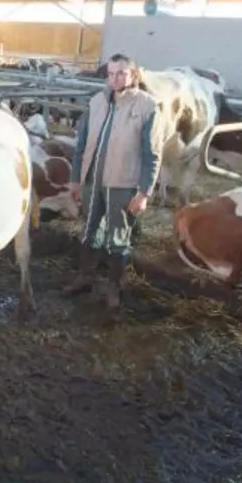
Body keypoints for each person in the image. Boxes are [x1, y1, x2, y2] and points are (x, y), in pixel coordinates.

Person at [64, 53, 161, 309]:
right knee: (89, 231)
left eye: (121, 73)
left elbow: (153, 154)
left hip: (123, 183)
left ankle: (113, 289)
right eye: (111, 73)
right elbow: (81, 144)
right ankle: (85, 278)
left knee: (118, 237)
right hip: (92, 181)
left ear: (133, 75)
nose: (115, 78)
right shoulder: (96, 102)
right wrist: (75, 180)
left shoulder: (147, 106)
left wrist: (144, 193)